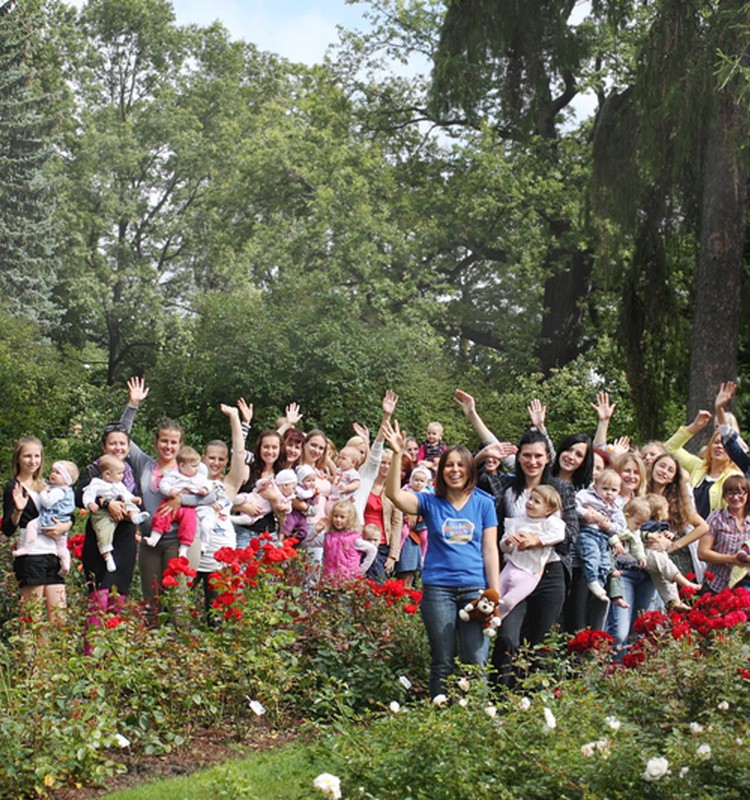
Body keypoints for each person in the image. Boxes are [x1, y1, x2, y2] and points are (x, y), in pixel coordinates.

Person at [452, 389, 577, 687]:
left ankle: (530, 702)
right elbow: (470, 472)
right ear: (518, 457)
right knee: (506, 635)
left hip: (551, 573)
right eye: (526, 456)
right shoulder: (504, 487)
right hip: (513, 570)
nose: (532, 461)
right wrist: (472, 415)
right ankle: (499, 700)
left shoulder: (561, 489)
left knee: (537, 643)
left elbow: (570, 534)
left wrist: (540, 541)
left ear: (548, 458)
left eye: (538, 456)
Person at [384, 420, 499, 698]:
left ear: (470, 469)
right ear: (441, 470)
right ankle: (440, 721)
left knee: (475, 660)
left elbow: (490, 550)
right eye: (449, 465)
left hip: (475, 591)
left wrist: (493, 594)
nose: (455, 470)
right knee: (443, 661)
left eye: (461, 465)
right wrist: (399, 454)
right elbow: (394, 495)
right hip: (438, 590)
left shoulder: (484, 502)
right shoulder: (428, 501)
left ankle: (476, 720)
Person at [118, 377, 215, 608]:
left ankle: (180, 644)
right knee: (152, 602)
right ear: (156, 441)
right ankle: (152, 644)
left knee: (177, 603)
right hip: (150, 542)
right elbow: (121, 437)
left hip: (180, 541)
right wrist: (132, 405)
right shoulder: (145, 464)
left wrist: (180, 500)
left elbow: (210, 496)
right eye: (164, 441)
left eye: (173, 443)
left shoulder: (192, 469)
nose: (168, 447)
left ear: (180, 446)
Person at [2, 437, 72, 621]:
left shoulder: (49, 485)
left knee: (59, 620)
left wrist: (66, 525)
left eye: (37, 456)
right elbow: (8, 529)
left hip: (53, 555)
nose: (33, 461)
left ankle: (50, 651)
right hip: (31, 556)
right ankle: (28, 651)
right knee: (32, 620)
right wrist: (18, 510)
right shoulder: (14, 487)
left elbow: (67, 510)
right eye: (27, 456)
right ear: (18, 458)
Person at [498, 485, 566, 622]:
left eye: (537, 502)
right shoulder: (517, 522)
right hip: (511, 566)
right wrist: (507, 542)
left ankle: (492, 621)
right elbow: (505, 548)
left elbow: (558, 535)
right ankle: (478, 615)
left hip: (530, 573)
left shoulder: (550, 523)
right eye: (530, 499)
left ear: (549, 510)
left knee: (509, 601)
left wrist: (536, 540)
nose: (530, 503)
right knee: (494, 595)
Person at [665, 404, 741, 519]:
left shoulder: (735, 477)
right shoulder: (698, 466)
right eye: (716, 442)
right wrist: (695, 427)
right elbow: (669, 449)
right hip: (688, 530)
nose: (719, 446)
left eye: (724, 444)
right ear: (710, 446)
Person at [82, 454, 148, 572]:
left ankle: (134, 517)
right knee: (103, 533)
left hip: (122, 511)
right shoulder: (96, 483)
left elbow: (127, 494)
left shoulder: (119, 484)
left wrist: (134, 499)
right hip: (102, 513)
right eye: (119, 473)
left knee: (129, 502)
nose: (122, 476)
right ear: (107, 474)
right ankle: (107, 556)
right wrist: (90, 503)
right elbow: (88, 495)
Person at [14, 460, 78, 577]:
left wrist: (43, 492)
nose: (53, 474)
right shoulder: (70, 492)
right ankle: (65, 565)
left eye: (58, 473)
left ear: (67, 479)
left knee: (32, 525)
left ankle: (27, 547)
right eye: (52, 471)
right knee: (62, 547)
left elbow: (47, 502)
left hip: (48, 521)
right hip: (61, 524)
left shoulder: (58, 491)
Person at [575, 468, 626, 602]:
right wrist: (586, 513)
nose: (609, 493)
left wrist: (610, 526)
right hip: (588, 532)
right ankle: (592, 580)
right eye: (605, 489)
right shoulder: (586, 495)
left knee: (605, 563)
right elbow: (574, 506)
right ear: (596, 486)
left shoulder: (616, 506)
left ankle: (600, 586)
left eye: (614, 490)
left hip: (604, 538)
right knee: (592, 556)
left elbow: (621, 526)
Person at [698, 475, 750, 593]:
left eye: (740, 493)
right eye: (731, 493)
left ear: (747, 495)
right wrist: (731, 559)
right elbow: (702, 553)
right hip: (717, 585)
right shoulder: (717, 518)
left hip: (744, 586)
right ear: (724, 496)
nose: (736, 497)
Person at [322, 500, 377, 584]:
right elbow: (309, 542)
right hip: (329, 579)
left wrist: (360, 571)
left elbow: (372, 550)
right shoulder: (329, 536)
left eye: (342, 517)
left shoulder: (354, 539)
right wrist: (315, 531)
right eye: (335, 516)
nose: (338, 519)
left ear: (350, 519)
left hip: (347, 581)